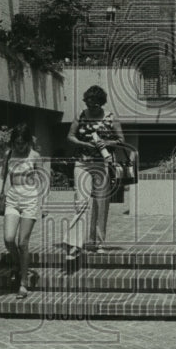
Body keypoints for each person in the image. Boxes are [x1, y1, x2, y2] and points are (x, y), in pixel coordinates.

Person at [64, 84, 130, 261]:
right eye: (88, 103)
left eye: (94, 104)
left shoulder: (110, 118)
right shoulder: (81, 115)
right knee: (81, 202)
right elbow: (70, 136)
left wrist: (106, 143)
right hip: (82, 164)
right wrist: (84, 144)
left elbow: (121, 140)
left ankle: (98, 242)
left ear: (101, 103)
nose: (90, 107)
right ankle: (75, 244)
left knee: (101, 204)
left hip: (102, 164)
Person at [0, 123, 47, 298]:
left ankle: (23, 282)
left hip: (30, 200)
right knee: (9, 239)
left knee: (22, 242)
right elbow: (2, 177)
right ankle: (18, 264)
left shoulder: (34, 156)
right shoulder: (8, 154)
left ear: (28, 142)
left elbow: (44, 180)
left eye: (22, 143)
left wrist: (44, 203)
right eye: (16, 143)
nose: (19, 147)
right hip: (12, 199)